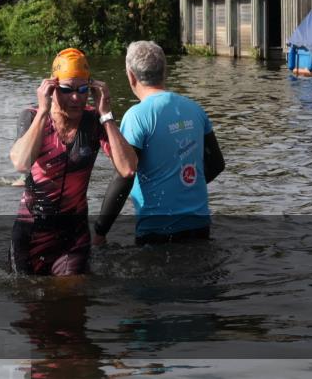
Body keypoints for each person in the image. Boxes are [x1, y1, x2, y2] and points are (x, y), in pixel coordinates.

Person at [8, 48, 137, 276]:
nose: (76, 97)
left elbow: (128, 169)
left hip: (73, 237)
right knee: (29, 303)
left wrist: (106, 114)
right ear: (52, 87)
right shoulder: (31, 116)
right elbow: (21, 163)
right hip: (31, 234)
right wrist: (43, 112)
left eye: (83, 89)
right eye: (67, 89)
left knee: (72, 299)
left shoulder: (94, 122)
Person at [94, 41, 225, 245]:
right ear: (165, 71)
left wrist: (100, 231)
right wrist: (182, 187)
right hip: (199, 224)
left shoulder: (137, 116)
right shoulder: (195, 109)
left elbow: (123, 176)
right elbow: (217, 164)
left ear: (130, 75)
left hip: (156, 230)